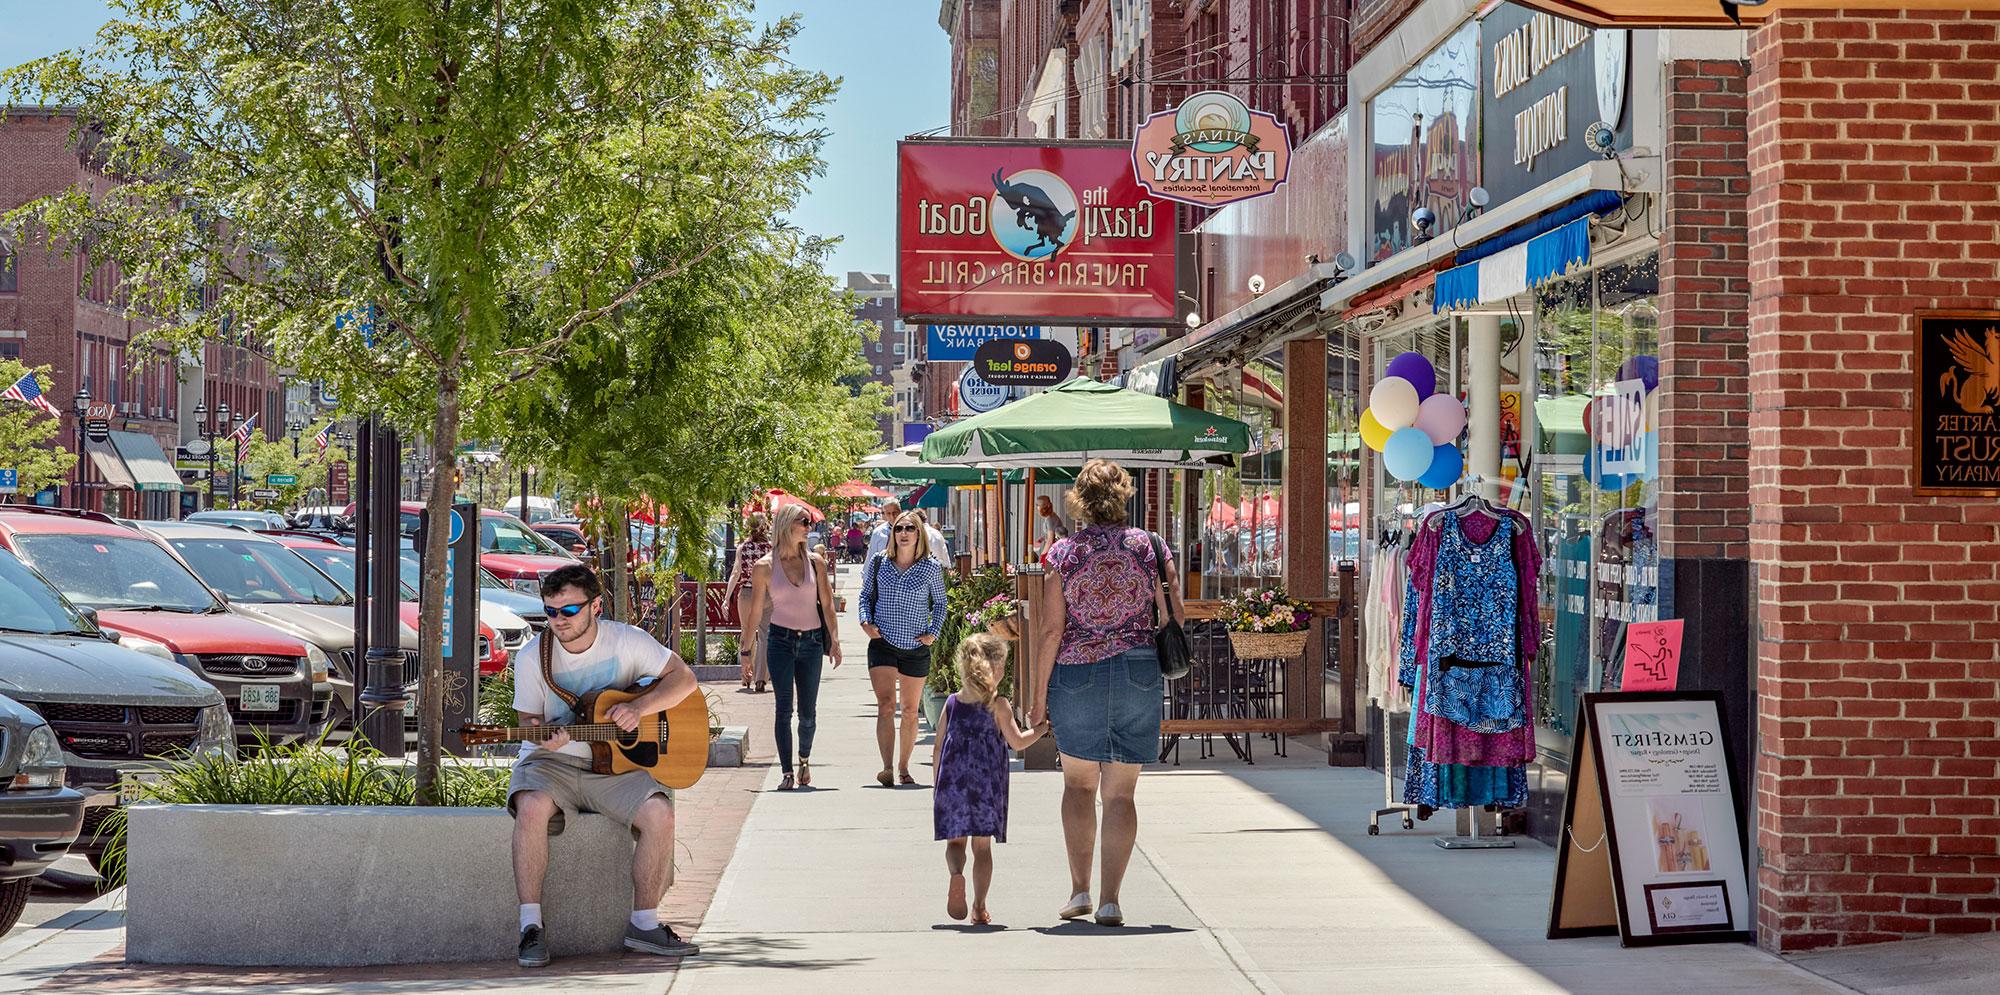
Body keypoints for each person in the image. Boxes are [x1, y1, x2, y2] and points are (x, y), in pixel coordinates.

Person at [507, 564, 701, 967]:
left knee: (659, 813)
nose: (558, 621)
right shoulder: (532, 658)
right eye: (550, 611)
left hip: (615, 768)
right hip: (552, 764)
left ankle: (644, 925)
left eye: (570, 611)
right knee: (531, 807)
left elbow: (684, 679)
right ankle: (530, 927)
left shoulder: (627, 641)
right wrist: (544, 735)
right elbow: (528, 722)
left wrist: (639, 707)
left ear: (595, 605)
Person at [1030, 459, 1181, 928]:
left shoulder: (1062, 553)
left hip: (1077, 672)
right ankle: (1111, 900)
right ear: (1124, 495)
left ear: (1079, 500)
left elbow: (1052, 630)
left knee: (1078, 785)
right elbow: (1176, 609)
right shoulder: (1150, 546)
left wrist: (1037, 699)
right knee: (1121, 794)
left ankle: (1079, 891)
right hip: (1138, 668)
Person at [933, 633, 1048, 924]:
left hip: (953, 784)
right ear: (994, 668)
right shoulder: (999, 705)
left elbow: (938, 747)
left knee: (955, 844)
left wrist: (938, 786)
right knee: (982, 848)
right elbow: (1018, 742)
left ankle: (956, 875)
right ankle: (979, 906)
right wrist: (1041, 731)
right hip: (985, 786)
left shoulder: (951, 703)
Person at [747, 503, 843, 791]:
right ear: (787, 524)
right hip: (780, 641)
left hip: (812, 642)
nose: (808, 527)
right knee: (783, 709)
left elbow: (827, 604)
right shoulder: (765, 566)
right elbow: (754, 613)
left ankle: (804, 759)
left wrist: (835, 640)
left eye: (810, 522)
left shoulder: (816, 563)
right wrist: (745, 652)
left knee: (808, 713)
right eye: (804, 522)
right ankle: (787, 772)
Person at [858, 509, 948, 786]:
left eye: (910, 528)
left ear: (919, 533)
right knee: (886, 706)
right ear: (892, 534)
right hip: (882, 641)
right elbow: (865, 596)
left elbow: (941, 603)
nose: (904, 533)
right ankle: (886, 767)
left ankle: (904, 767)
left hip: (915, 645)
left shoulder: (930, 567)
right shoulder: (878, 562)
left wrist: (933, 632)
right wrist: (865, 621)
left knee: (910, 711)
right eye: (899, 528)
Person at [724, 513, 773, 692]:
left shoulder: (742, 547)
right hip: (767, 593)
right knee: (765, 635)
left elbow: (736, 573)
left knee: (747, 633)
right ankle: (761, 678)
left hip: (747, 593)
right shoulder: (771, 548)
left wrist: (727, 597)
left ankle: (746, 677)